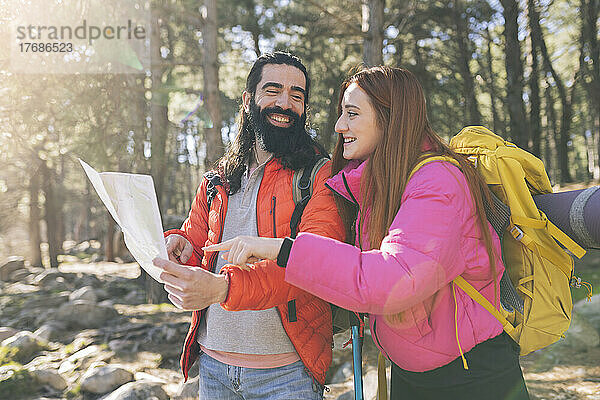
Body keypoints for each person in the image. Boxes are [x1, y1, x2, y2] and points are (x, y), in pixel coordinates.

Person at [204, 66, 530, 400]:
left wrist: (282, 249)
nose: (339, 125)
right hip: (417, 373)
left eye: (352, 113)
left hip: (470, 377)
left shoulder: (438, 183)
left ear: (391, 118)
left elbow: (392, 278)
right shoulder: (381, 183)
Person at [152, 52, 344, 400]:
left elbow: (311, 265)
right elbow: (196, 241)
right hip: (213, 369)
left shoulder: (318, 175)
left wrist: (223, 289)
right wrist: (179, 244)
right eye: (273, 90)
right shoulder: (218, 179)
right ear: (248, 100)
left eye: (297, 95)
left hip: (287, 375)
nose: (285, 103)